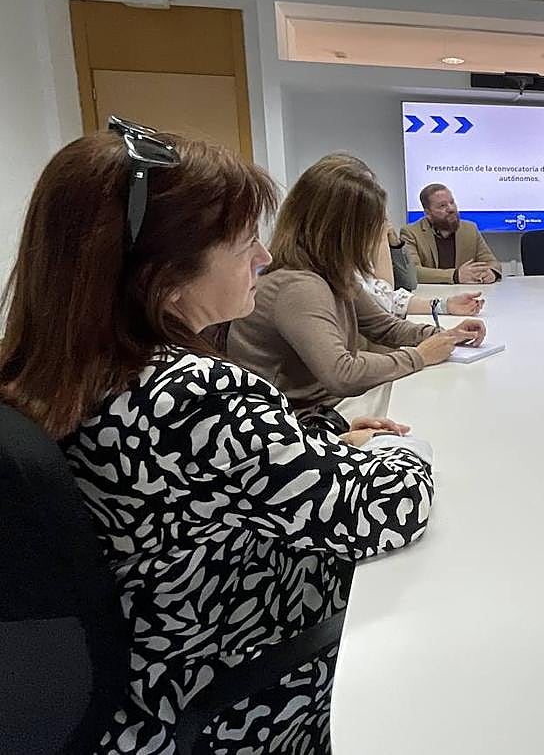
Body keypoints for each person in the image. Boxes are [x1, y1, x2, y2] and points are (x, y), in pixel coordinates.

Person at [0, 119, 435, 753]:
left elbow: (210, 476)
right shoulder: (196, 395)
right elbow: (381, 513)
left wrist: (322, 431)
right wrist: (413, 454)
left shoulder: (53, 368)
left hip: (146, 679)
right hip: (235, 686)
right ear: (164, 276)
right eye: (243, 242)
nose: (264, 257)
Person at [227, 155, 485, 417]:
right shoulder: (298, 286)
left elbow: (384, 326)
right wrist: (420, 356)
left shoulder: (329, 271)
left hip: (324, 406)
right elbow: (342, 374)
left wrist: (445, 335)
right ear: (345, 230)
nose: (380, 233)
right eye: (374, 225)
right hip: (300, 419)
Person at [401, 183, 502, 284]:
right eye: (442, 206)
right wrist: (455, 276)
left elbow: (492, 262)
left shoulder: (470, 229)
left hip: (466, 292)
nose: (451, 209)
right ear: (428, 213)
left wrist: (491, 273)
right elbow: (412, 272)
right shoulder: (411, 233)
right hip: (430, 292)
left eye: (452, 202)